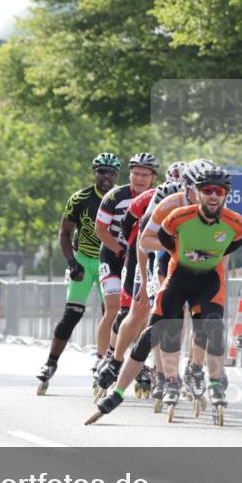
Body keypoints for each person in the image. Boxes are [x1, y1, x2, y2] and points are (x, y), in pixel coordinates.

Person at [86, 164, 242, 425]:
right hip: (172, 270)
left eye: (219, 191)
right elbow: (144, 241)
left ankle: (204, 375)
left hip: (208, 279)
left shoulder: (235, 221)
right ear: (193, 190)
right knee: (153, 330)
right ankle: (121, 383)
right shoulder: (173, 210)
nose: (213, 196)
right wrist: (149, 276)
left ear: (226, 194)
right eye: (207, 190)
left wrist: (212, 266)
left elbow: (228, 248)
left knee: (212, 326)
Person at [35, 152, 121, 395]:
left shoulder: (121, 198)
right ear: (94, 173)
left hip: (109, 261)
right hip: (83, 258)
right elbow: (64, 233)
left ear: (117, 175)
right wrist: (72, 263)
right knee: (72, 314)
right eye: (102, 171)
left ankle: (106, 361)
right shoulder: (80, 198)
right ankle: (50, 363)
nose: (106, 176)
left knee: (113, 316)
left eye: (111, 172)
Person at [92, 152, 158, 379]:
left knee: (138, 312)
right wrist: (120, 251)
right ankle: (102, 357)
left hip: (138, 257)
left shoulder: (158, 197)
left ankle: (135, 360)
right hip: (113, 255)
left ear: (153, 177)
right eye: (135, 174)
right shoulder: (114, 196)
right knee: (113, 308)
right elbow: (100, 229)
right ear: (129, 175)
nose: (139, 178)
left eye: (144, 175)